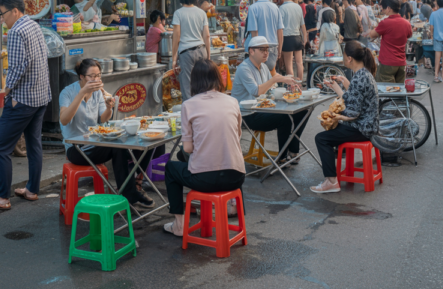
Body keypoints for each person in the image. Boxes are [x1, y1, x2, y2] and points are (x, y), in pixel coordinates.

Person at [0, 0, 51, 209]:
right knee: (34, 144)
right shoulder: (33, 25)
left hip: (23, 98)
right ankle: (32, 190)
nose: (1, 19)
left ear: (15, 11)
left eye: (2, 14)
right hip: (40, 96)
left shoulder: (17, 30)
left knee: (0, 147)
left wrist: (6, 91)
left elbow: (18, 67)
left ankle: (1, 197)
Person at [163, 59, 246, 236]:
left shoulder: (189, 105)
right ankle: (235, 211)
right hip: (236, 178)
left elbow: (187, 148)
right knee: (229, 156)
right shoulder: (232, 101)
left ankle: (179, 225)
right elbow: (236, 138)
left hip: (205, 180)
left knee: (171, 167)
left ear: (194, 81)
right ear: (218, 78)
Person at [59, 59, 154, 208]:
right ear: (81, 77)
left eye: (98, 75)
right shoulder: (67, 92)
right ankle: (129, 194)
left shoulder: (98, 93)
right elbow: (64, 120)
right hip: (76, 149)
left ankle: (132, 187)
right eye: (92, 76)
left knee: (146, 141)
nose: (96, 79)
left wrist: (110, 107)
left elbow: (103, 119)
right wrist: (82, 93)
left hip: (96, 142)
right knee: (118, 147)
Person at [311, 41, 379, 194]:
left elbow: (353, 114)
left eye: (343, 55)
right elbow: (352, 100)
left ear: (349, 58)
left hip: (362, 129)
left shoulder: (359, 77)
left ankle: (331, 181)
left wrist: (335, 117)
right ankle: (333, 176)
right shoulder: (363, 73)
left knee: (322, 138)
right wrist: (337, 87)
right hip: (367, 125)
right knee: (330, 132)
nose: (342, 58)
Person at [231, 36, 307, 164]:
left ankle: (293, 151)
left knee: (301, 111)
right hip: (247, 114)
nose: (266, 52)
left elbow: (271, 89)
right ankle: (282, 157)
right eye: (262, 49)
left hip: (263, 108)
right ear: (251, 51)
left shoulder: (264, 67)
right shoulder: (244, 68)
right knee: (284, 119)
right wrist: (275, 79)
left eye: (267, 49)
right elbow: (256, 92)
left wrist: (285, 82)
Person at [172, 0, 210, 101]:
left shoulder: (178, 13)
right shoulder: (201, 13)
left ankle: (190, 116)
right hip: (201, 50)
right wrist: (208, 55)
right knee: (203, 85)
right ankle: (203, 114)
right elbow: (207, 36)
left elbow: (176, 36)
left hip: (186, 53)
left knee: (188, 88)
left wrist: (174, 59)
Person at [367, 0, 412, 83]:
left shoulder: (385, 22)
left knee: (386, 91)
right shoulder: (407, 23)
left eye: (383, 9)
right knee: (400, 90)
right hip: (401, 63)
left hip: (387, 63)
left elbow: (372, 35)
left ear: (388, 8)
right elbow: (409, 35)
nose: (383, 11)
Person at [245, 0, 283, 73]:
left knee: (258, 78)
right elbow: (280, 31)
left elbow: (254, 32)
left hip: (259, 48)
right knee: (269, 78)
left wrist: (255, 51)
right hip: (273, 47)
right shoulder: (275, 7)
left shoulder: (253, 8)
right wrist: (280, 50)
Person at [279, 0, 306, 81]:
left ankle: (292, 86)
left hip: (287, 38)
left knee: (289, 64)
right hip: (297, 37)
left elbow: (280, 28)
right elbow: (303, 25)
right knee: (299, 63)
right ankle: (299, 83)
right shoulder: (298, 7)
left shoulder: (281, 8)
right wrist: (305, 39)